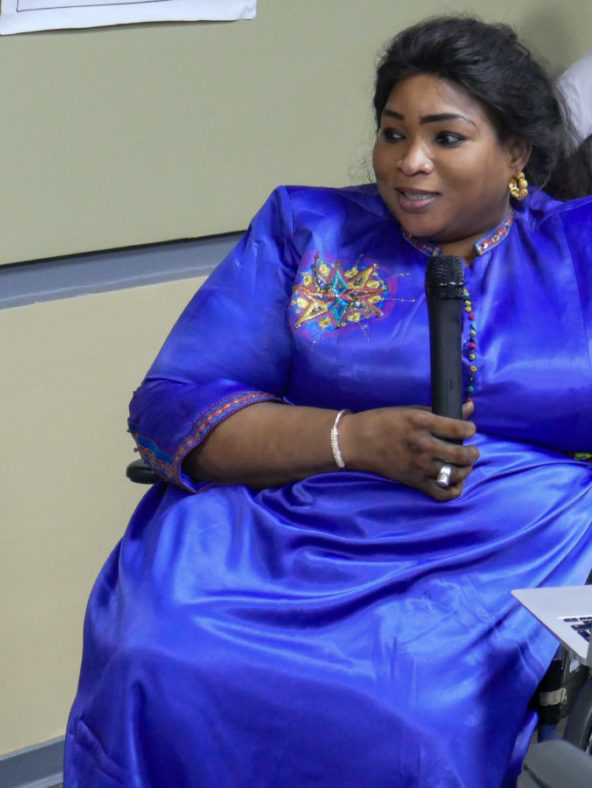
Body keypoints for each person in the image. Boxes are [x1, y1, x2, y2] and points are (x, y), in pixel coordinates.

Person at [65, 16, 592, 787]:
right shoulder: (310, 231)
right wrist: (356, 438)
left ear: (515, 155)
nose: (410, 163)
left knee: (409, 711)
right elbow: (176, 400)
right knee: (162, 650)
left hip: (505, 552)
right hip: (295, 524)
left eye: (447, 138)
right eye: (392, 133)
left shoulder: (579, 251)